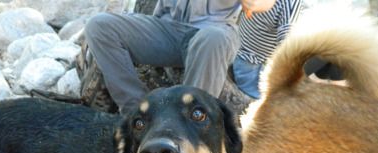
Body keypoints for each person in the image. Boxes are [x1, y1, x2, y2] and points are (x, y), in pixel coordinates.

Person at [84, 0, 278, 113]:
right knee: (99, 25)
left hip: (214, 32)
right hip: (166, 29)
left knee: (212, 39)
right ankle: (138, 113)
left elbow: (261, 4)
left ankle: (188, 124)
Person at [232, 0, 303, 99]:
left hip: (236, 45)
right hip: (250, 66)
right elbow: (286, 39)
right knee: (270, 101)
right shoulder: (291, 3)